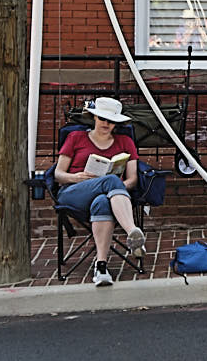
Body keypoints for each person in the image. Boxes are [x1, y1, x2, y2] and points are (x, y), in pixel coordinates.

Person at [54, 96, 145, 287]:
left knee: (103, 201)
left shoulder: (125, 141)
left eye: (111, 121)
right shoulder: (75, 138)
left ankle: (101, 267)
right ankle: (132, 232)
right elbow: (58, 174)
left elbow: (133, 179)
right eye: (103, 119)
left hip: (109, 197)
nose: (107, 123)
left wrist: (115, 189)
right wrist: (76, 177)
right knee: (111, 180)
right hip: (74, 191)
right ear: (94, 118)